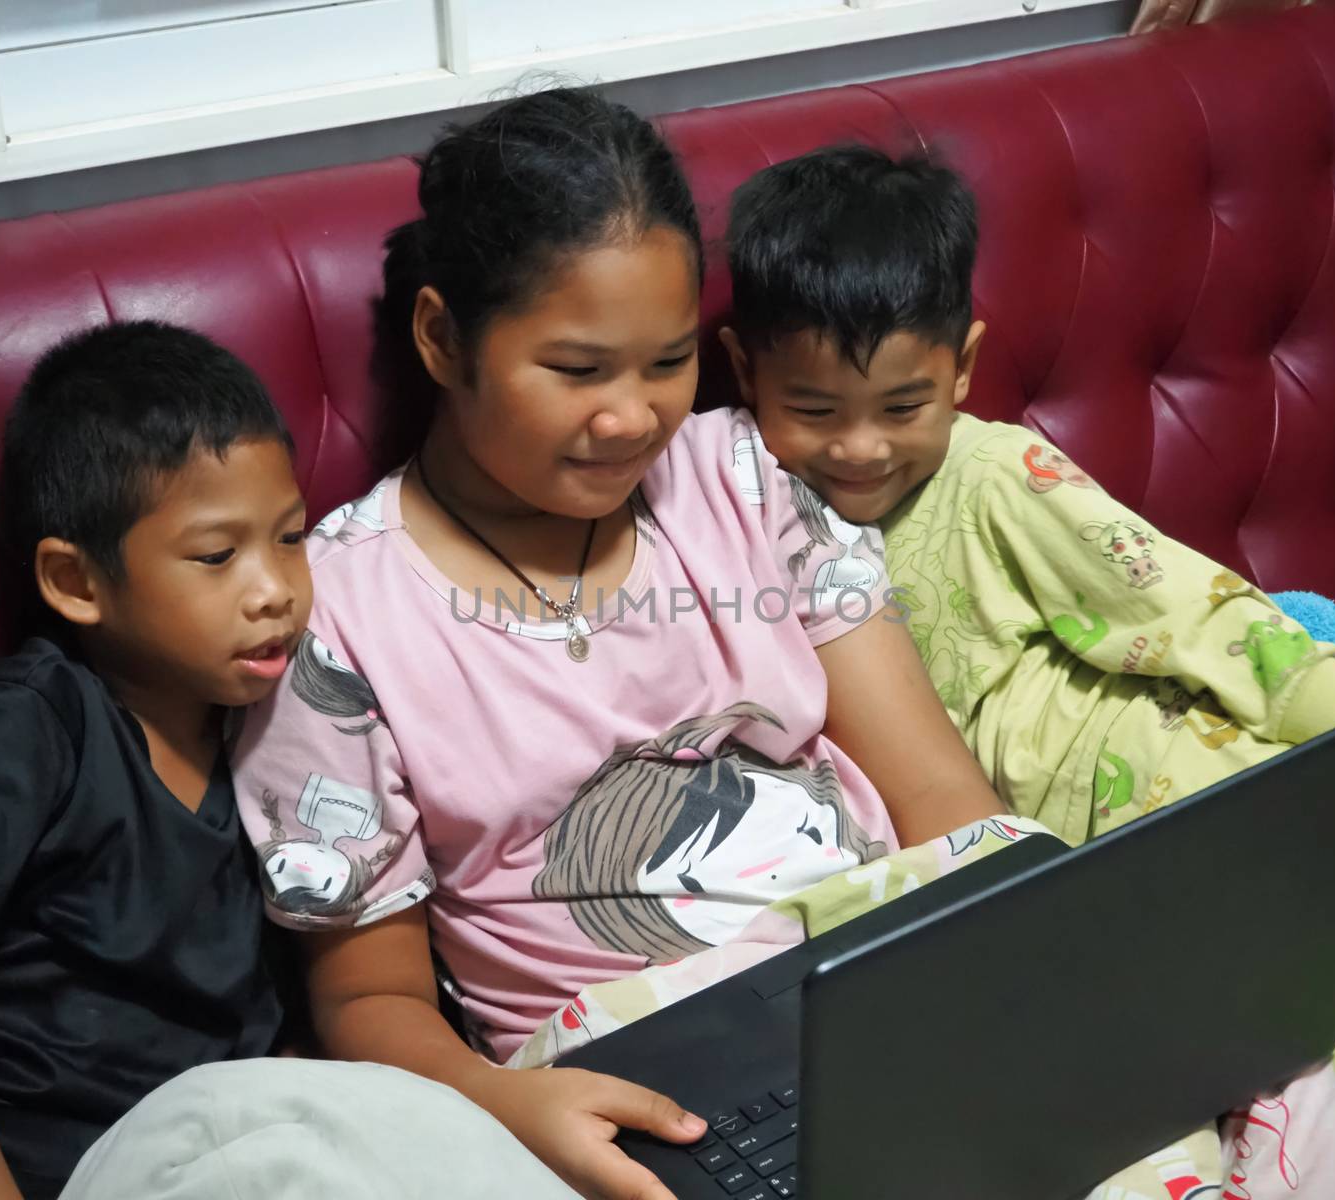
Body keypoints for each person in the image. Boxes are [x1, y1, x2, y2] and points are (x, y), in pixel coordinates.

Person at [231, 87, 1006, 1200]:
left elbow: (935, 786)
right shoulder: (339, 621)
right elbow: (368, 996)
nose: (633, 418)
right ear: (445, 338)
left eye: (666, 363)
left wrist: (1015, 954)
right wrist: (508, 1106)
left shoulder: (743, 478)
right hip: (624, 1067)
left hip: (882, 974)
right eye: (578, 371)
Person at [718, 143, 1335, 1016]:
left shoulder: (1000, 476)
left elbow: (1216, 622)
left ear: (962, 367)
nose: (859, 448)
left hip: (1193, 787)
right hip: (1078, 878)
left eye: (902, 408)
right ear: (745, 371)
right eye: (813, 410)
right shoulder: (741, 504)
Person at [0, 321, 309, 1199]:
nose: (274, 591)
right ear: (76, 582)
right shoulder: (36, 722)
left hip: (235, 1142)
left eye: (293, 538)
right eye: (217, 557)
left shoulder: (283, 718)